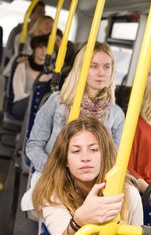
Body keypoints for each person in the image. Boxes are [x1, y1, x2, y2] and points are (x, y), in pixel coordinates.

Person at [32, 117, 143, 235]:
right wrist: (79, 221)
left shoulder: (129, 195)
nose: (86, 157)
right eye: (76, 151)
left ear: (104, 154)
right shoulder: (53, 195)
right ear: (65, 160)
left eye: (94, 149)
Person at [21, 42, 124, 212]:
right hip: (53, 175)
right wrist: (58, 173)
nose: (101, 73)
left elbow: (112, 159)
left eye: (107, 67)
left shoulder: (116, 114)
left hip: (93, 183)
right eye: (94, 66)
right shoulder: (57, 102)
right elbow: (33, 146)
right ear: (81, 68)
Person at [11, 34, 52, 121]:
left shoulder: (51, 72)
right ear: (34, 49)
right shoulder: (22, 66)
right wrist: (34, 99)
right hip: (21, 104)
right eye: (40, 47)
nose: (44, 51)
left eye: (46, 48)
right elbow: (19, 93)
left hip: (41, 107)